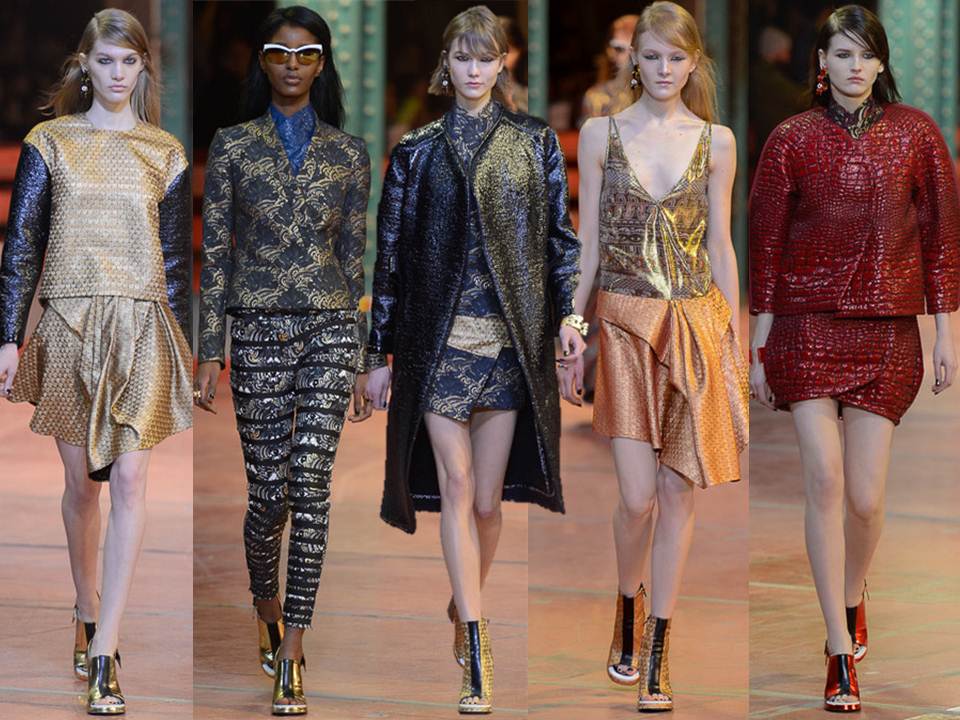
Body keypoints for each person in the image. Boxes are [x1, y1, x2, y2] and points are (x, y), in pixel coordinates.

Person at [360, 5, 584, 714]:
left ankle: (464, 605)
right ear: (446, 64)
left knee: (488, 502)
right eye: (463, 56)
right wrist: (378, 350)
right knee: (456, 487)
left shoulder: (534, 142)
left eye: (486, 57)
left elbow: (559, 241)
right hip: (439, 344)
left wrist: (569, 318)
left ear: (503, 63)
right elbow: (389, 257)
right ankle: (480, 649)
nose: (474, 68)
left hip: (510, 345)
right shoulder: (417, 150)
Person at [749, 4, 959, 712]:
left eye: (866, 54)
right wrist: (759, 344)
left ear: (881, 61)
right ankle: (838, 649)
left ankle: (852, 591)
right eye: (842, 54)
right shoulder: (791, 139)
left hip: (887, 329)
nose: (856, 66)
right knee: (824, 479)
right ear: (821, 62)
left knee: (866, 500)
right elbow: (766, 246)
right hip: (805, 326)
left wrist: (945, 333)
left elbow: (942, 240)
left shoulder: (916, 135)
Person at [0, 8, 191, 715]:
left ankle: (107, 649)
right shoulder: (50, 142)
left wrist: (186, 348)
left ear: (143, 67)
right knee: (84, 488)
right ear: (85, 64)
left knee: (132, 481)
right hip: (70, 324)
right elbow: (22, 244)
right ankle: (86, 609)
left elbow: (175, 262)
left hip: (141, 323)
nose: (117, 73)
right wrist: (8, 336)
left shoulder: (164, 152)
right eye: (105, 61)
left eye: (129, 61)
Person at [572, 1, 748, 712]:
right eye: (652, 56)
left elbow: (721, 246)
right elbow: (587, 244)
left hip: (695, 326)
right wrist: (572, 323)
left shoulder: (717, 141)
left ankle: (658, 649)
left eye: (676, 57)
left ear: (693, 62)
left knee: (678, 493)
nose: (664, 68)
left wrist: (733, 337)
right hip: (623, 325)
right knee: (637, 498)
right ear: (633, 61)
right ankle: (627, 599)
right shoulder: (601, 134)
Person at [194, 6, 370, 715]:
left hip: (329, 326)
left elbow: (354, 261)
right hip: (258, 329)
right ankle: (265, 600)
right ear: (262, 61)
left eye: (305, 54)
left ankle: (293, 647)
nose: (292, 64)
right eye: (278, 52)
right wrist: (210, 350)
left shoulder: (349, 153)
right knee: (269, 493)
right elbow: (214, 255)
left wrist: (362, 356)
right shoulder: (233, 146)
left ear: (322, 63)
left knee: (312, 485)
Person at [579, 14, 639, 125]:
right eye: (612, 47)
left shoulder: (654, 93)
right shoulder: (597, 97)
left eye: (619, 49)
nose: (611, 54)